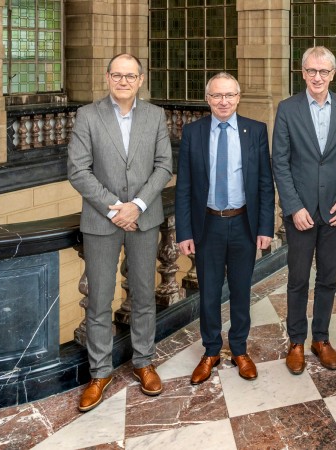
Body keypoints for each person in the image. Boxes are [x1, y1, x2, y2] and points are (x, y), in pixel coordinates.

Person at [67, 53, 172, 412]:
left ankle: (144, 362)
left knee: (143, 294)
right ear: (107, 77)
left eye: (130, 76)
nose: (123, 81)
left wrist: (137, 205)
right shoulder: (87, 115)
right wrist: (116, 207)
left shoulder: (155, 115)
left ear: (140, 80)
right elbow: (78, 171)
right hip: (101, 221)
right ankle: (100, 373)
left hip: (144, 218)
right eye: (117, 75)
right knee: (98, 301)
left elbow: (163, 166)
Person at [175, 73, 275, 383]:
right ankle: (211, 351)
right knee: (208, 292)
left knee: (242, 290)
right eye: (217, 96)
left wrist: (265, 227)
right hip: (207, 225)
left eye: (229, 95)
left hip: (243, 222)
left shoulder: (255, 131)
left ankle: (240, 350)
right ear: (207, 99)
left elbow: (264, 183)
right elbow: (185, 187)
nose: (224, 101)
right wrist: (184, 232)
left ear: (238, 97)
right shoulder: (193, 132)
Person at [272, 46, 336, 374]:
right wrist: (293, 207)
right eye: (311, 71)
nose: (317, 77)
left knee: (327, 278)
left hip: (334, 212)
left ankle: (320, 339)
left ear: (332, 74)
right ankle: (296, 340)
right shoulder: (287, 109)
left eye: (323, 72)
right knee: (297, 279)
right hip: (301, 214)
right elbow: (279, 161)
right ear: (303, 72)